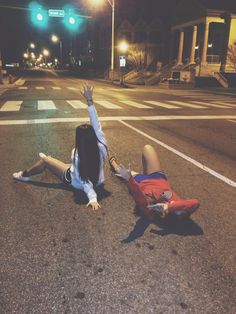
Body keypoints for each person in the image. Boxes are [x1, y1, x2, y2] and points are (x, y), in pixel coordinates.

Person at [13, 84, 107, 211]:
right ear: (92, 136)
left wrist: (92, 198)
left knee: (46, 162)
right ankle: (50, 160)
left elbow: (83, 180)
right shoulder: (101, 145)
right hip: (97, 180)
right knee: (68, 164)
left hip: (76, 182)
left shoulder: (78, 154)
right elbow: (96, 124)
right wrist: (89, 101)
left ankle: (24, 175)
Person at [109, 145, 199, 220]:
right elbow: (195, 203)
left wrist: (129, 180)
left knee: (119, 171)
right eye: (178, 208)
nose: (173, 203)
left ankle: (112, 162)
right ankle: (125, 170)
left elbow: (140, 198)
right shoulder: (176, 206)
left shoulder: (153, 213)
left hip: (140, 181)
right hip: (157, 177)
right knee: (148, 147)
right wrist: (168, 207)